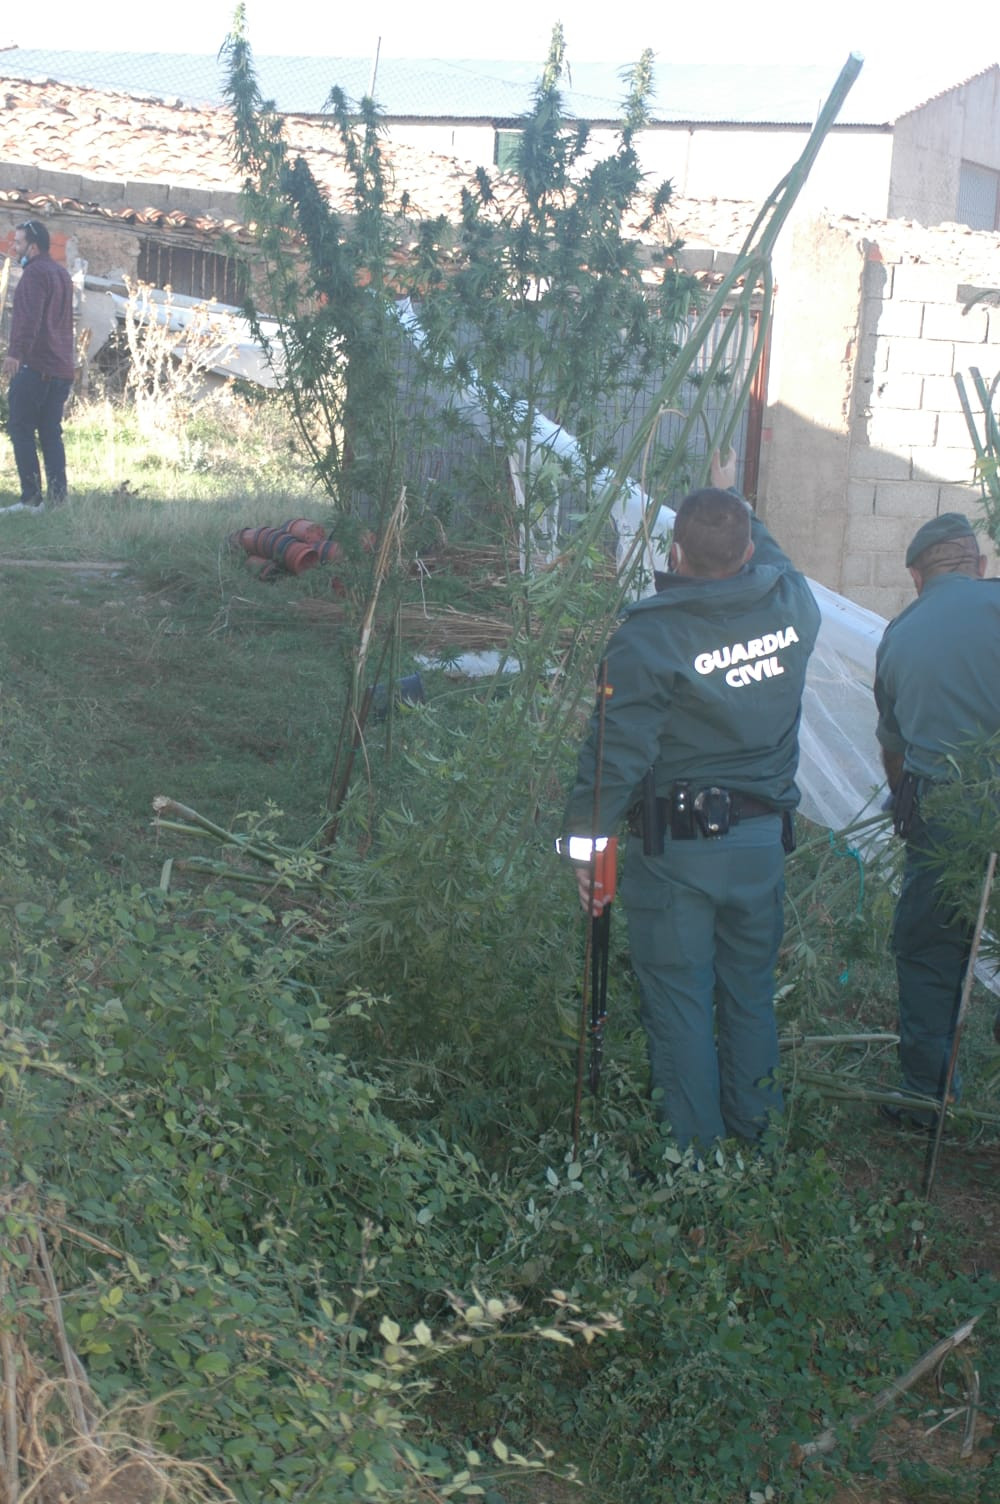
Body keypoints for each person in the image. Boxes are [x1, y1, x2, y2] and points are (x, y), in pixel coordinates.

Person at [559, 451, 820, 1151]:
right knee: (748, 995)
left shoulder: (651, 635)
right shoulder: (795, 604)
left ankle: (695, 1165)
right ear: (746, 550)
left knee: (677, 1000)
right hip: (762, 847)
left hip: (679, 855)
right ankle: (760, 1143)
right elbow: (766, 548)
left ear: (675, 552)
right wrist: (733, 494)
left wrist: (585, 847)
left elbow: (615, 754)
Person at [873, 512, 1000, 1126]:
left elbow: (893, 749)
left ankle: (926, 1097)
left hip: (944, 810)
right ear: (979, 564)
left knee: (928, 950)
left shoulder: (900, 635)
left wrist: (906, 802)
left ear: (916, 577)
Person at [3, 219, 75, 513]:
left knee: (20, 428)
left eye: (18, 242)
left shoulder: (34, 275)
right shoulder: (61, 273)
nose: (14, 247)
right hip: (61, 368)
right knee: (50, 433)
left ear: (33, 247)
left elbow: (29, 320)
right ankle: (57, 502)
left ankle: (30, 498)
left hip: (35, 366)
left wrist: (15, 354)